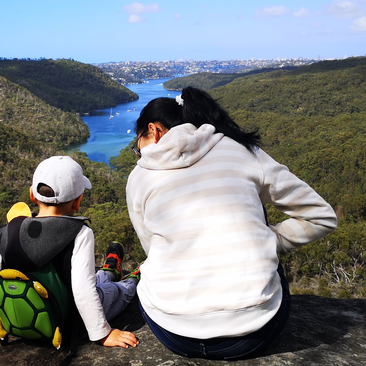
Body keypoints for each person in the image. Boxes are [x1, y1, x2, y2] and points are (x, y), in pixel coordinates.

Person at [126, 87, 337, 360]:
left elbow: (151, 250)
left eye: (137, 144)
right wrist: (267, 240)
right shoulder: (242, 150)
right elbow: (321, 216)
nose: (138, 152)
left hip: (175, 334)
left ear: (154, 130)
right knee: (251, 206)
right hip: (254, 334)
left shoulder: (139, 176)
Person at [0, 155, 140, 348]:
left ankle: (109, 271)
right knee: (115, 291)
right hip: (68, 320)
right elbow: (83, 290)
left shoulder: (12, 230)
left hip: (22, 321)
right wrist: (103, 334)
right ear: (77, 202)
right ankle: (133, 279)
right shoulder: (79, 232)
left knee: (97, 278)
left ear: (32, 195)